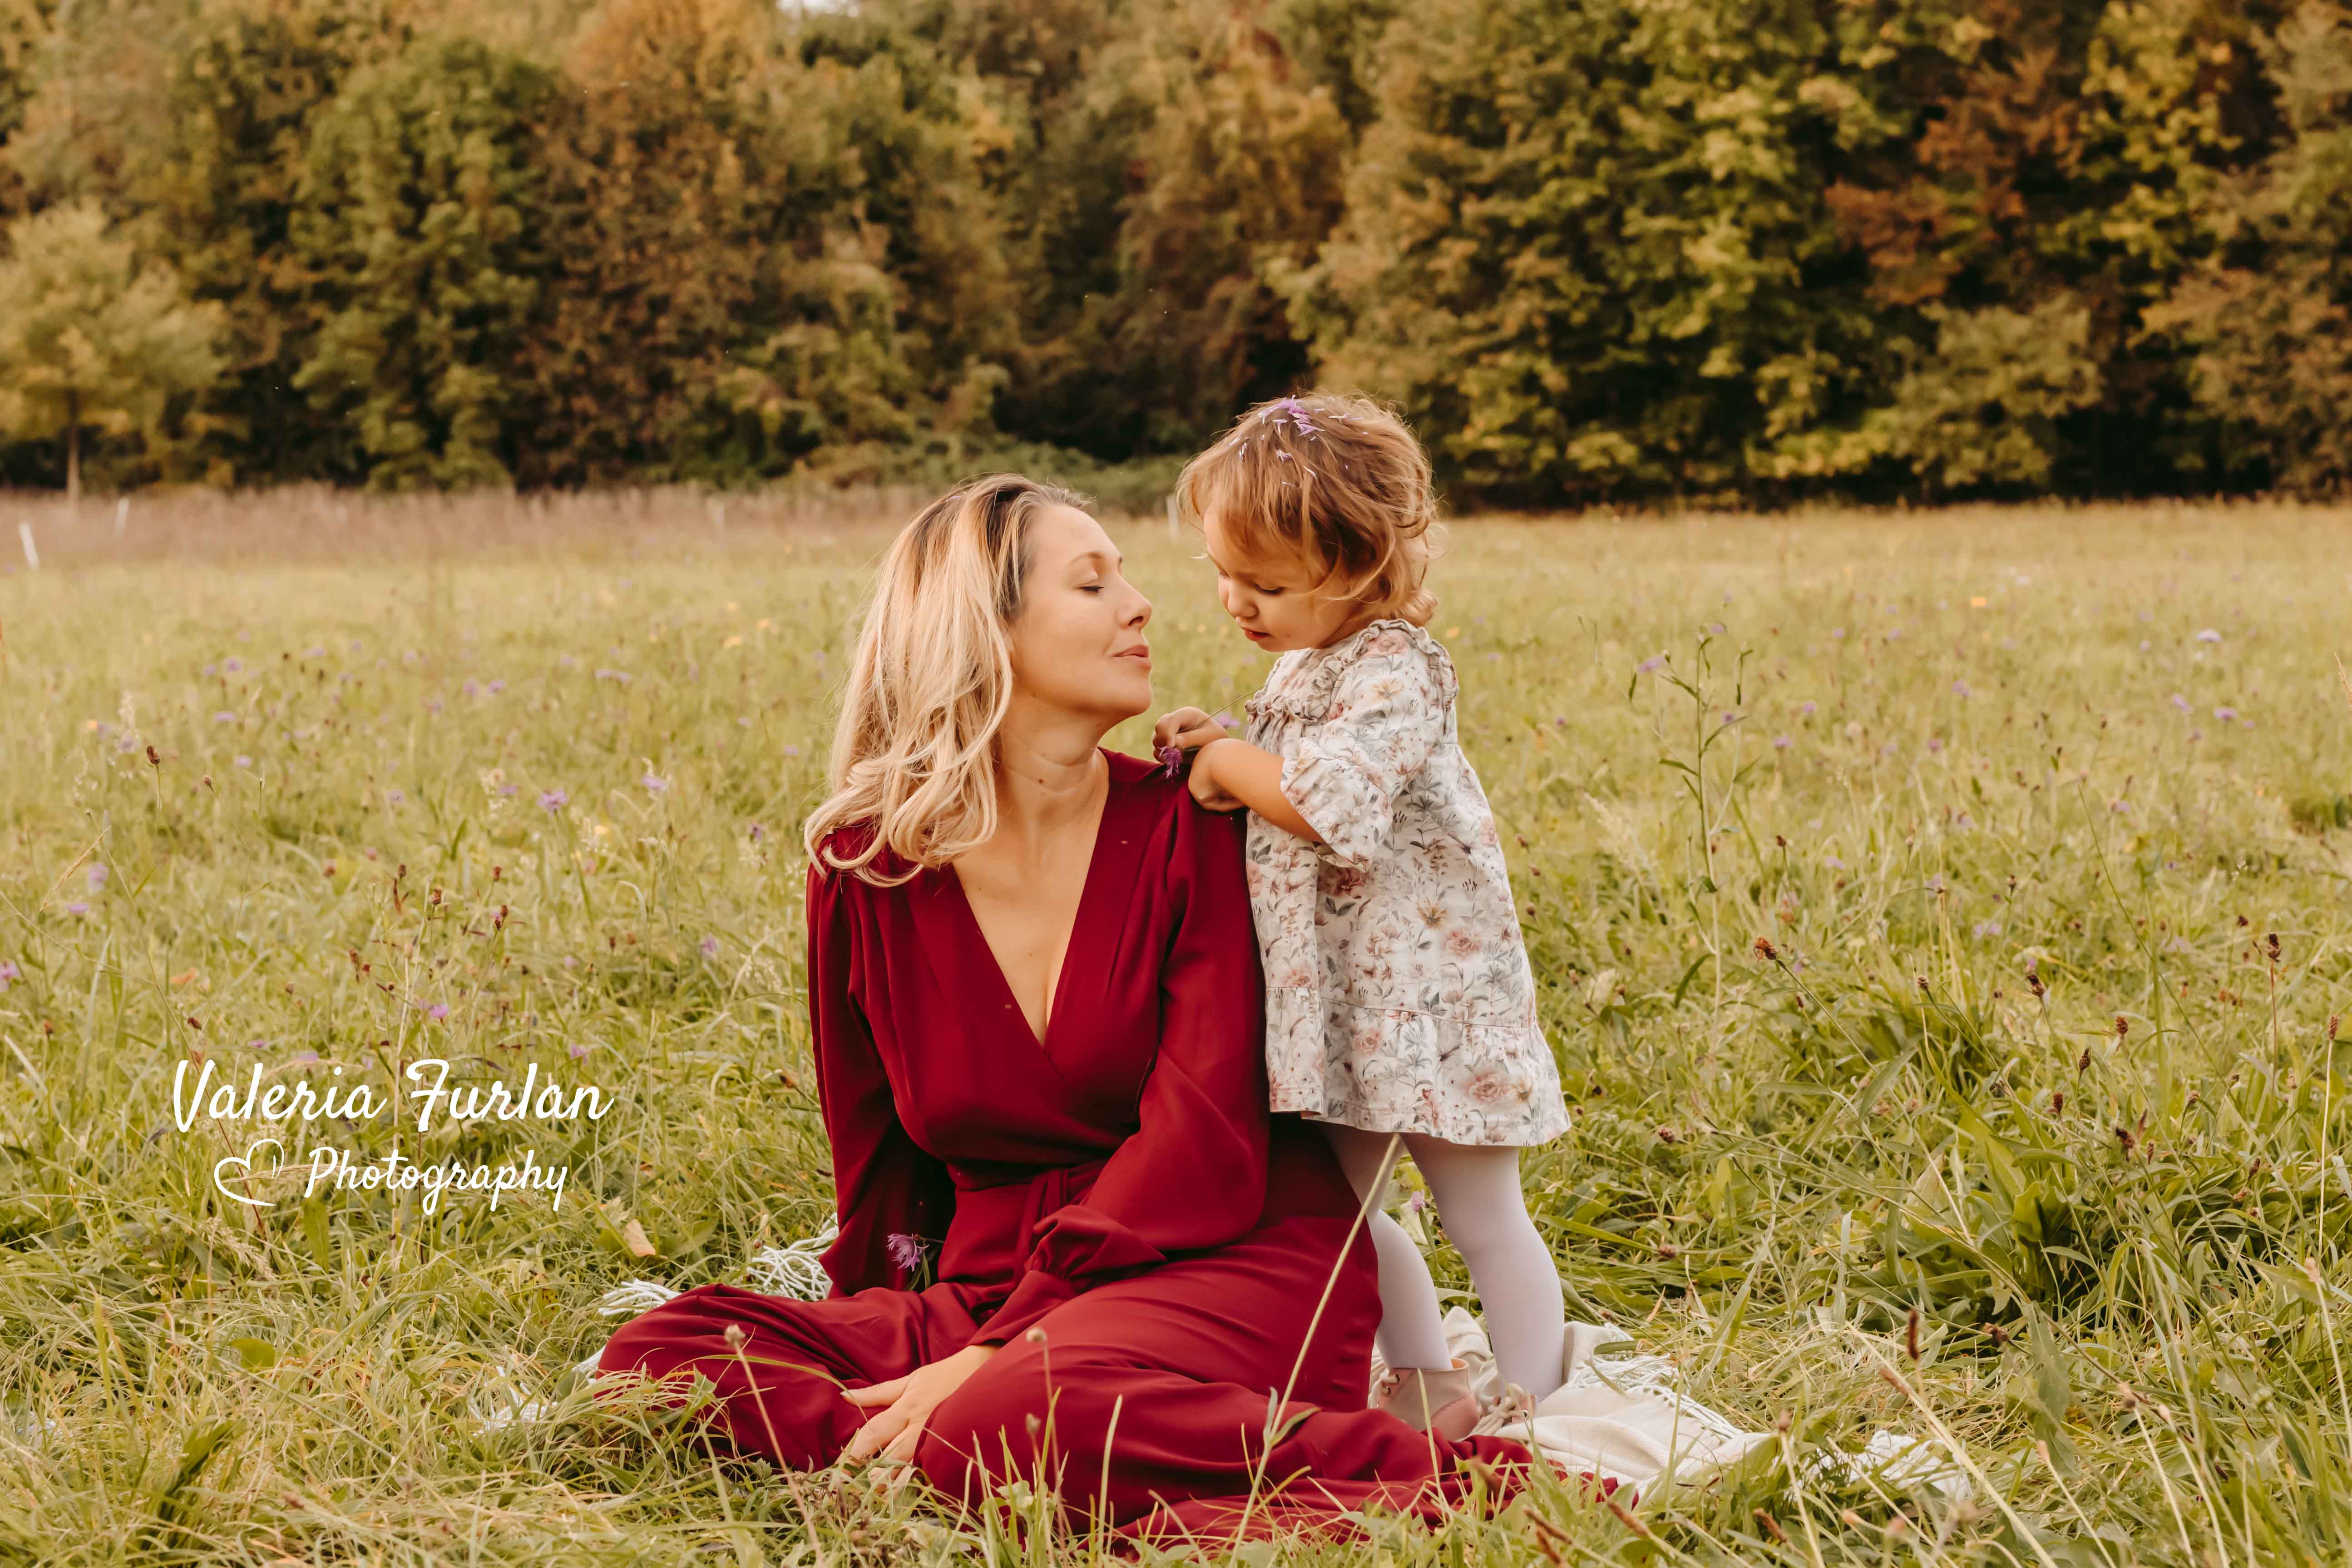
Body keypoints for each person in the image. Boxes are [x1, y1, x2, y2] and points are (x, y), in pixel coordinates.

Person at [594, 474, 1542, 1541]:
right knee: (662, 1352)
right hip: (998, 1280)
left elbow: (1204, 1138)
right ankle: (923, 1446)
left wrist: (997, 1357)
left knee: (1003, 1416)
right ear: (981, 631)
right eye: (1093, 582)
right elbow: (875, 1147)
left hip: (1223, 1250)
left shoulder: (1198, 826)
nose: (1141, 604)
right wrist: (898, 1320)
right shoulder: (866, 865)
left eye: (1126, 578)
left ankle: (1441, 1467)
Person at [1154, 393, 1573, 1442]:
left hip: (1432, 996)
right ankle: (1421, 1372)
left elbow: (1328, 805)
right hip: (1339, 1006)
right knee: (1339, 1216)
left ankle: (1537, 1395)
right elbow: (1280, 775)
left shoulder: (1397, 666)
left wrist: (1228, 763)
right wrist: (1224, 736)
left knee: (1479, 1212)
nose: (1234, 602)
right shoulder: (1299, 664)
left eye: (1268, 583)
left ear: (1364, 565)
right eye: (1225, 574)